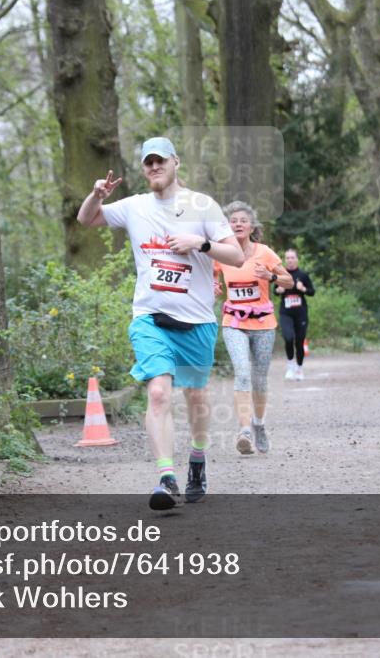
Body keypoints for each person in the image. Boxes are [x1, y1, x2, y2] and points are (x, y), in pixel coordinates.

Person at [76, 137, 244, 510]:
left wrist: (199, 243)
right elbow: (86, 219)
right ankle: (166, 478)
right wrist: (96, 195)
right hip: (150, 318)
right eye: (148, 163)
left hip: (197, 320)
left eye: (160, 161)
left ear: (175, 163)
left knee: (196, 398)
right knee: (158, 393)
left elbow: (235, 255)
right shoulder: (135, 207)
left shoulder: (202, 205)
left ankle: (197, 460)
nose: (154, 167)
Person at [213, 202, 293, 455]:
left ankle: (259, 424)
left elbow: (289, 281)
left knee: (259, 379)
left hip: (263, 324)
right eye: (233, 220)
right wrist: (213, 287)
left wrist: (269, 277)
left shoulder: (265, 253)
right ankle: (244, 430)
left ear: (251, 227)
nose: (237, 224)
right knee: (243, 372)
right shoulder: (222, 254)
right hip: (233, 322)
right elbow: (211, 279)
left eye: (242, 220)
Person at [275, 249, 316, 381]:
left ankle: (299, 368)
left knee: (299, 341)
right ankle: (290, 366)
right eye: (287, 258)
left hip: (300, 313)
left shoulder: (302, 275)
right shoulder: (281, 274)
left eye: (292, 257)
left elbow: (312, 292)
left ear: (297, 259)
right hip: (286, 313)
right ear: (284, 260)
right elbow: (275, 291)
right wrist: (279, 290)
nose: (290, 260)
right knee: (288, 338)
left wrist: (302, 288)